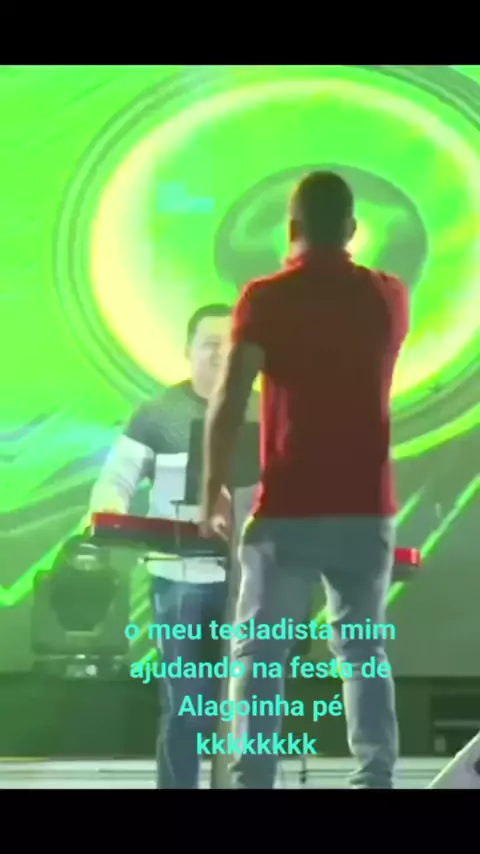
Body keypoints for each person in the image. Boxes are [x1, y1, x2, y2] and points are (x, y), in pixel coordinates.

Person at [200, 171, 410, 789]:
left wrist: (212, 489)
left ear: (290, 228)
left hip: (290, 507)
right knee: (363, 648)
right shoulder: (389, 297)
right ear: (351, 229)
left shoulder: (265, 299)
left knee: (261, 650)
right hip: (366, 508)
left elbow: (229, 400)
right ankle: (375, 778)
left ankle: (252, 782)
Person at [89, 303, 258, 789]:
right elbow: (115, 482)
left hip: (250, 588)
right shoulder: (156, 415)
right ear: (188, 350)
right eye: (211, 344)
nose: (221, 354)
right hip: (179, 582)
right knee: (186, 708)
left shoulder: (265, 413)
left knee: (248, 709)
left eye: (232, 346)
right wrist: (110, 511)